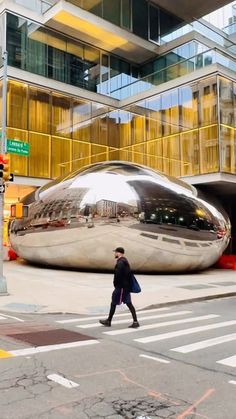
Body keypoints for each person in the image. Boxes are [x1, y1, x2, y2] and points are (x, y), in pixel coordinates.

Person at [99, 247, 139, 328]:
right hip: (125, 287)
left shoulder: (120, 262)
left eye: (115, 252)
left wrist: (116, 284)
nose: (115, 254)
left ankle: (108, 321)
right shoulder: (125, 261)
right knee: (128, 303)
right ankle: (135, 322)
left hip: (121, 287)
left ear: (119, 253)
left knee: (113, 303)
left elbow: (118, 275)